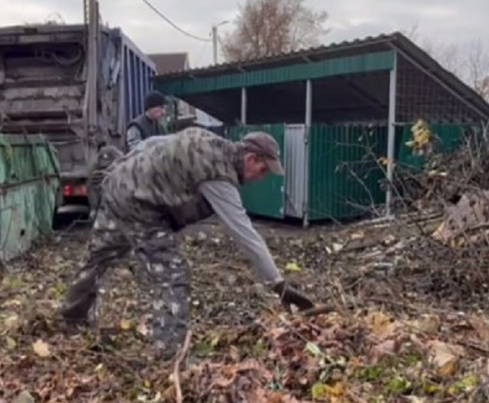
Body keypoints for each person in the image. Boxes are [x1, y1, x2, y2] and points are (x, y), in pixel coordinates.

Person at [60, 127, 315, 361]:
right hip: (140, 205)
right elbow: (245, 234)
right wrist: (278, 284)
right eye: (263, 170)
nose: (261, 177)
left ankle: (72, 315)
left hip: (120, 183)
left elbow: (155, 143)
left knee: (98, 256)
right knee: (173, 273)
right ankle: (168, 352)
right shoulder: (218, 175)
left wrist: (122, 169)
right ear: (251, 159)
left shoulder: (210, 142)